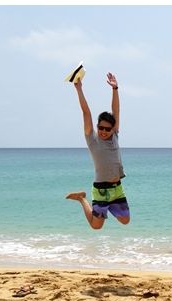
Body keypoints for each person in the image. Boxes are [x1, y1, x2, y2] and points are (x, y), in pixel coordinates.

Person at [66, 72, 129, 229]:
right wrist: (79, 89)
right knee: (96, 226)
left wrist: (115, 89)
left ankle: (106, 208)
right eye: (100, 127)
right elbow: (86, 113)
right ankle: (82, 199)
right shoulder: (92, 139)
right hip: (100, 189)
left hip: (117, 189)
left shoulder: (114, 135)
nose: (103, 131)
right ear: (97, 126)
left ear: (112, 128)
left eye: (107, 128)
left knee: (125, 220)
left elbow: (116, 110)